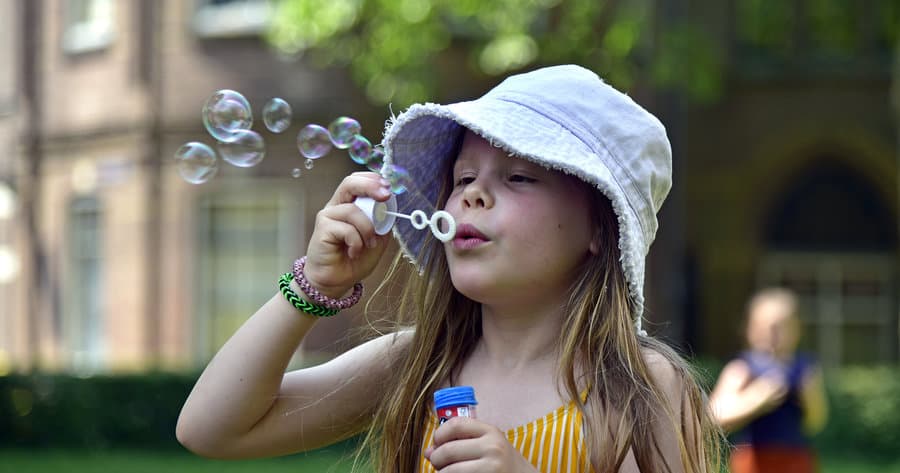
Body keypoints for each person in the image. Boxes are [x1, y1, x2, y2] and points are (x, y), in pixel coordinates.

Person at [176, 64, 723, 472]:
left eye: (518, 177)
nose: (473, 195)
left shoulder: (640, 386)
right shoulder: (417, 363)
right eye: (463, 178)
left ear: (601, 230)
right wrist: (314, 286)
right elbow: (211, 429)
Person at [709, 287, 829, 473]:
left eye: (780, 327)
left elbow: (816, 422)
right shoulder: (743, 368)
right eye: (764, 327)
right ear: (749, 329)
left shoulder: (804, 367)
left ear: (796, 329)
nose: (771, 334)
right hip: (753, 458)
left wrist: (809, 397)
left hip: (795, 457)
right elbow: (714, 416)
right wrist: (756, 398)